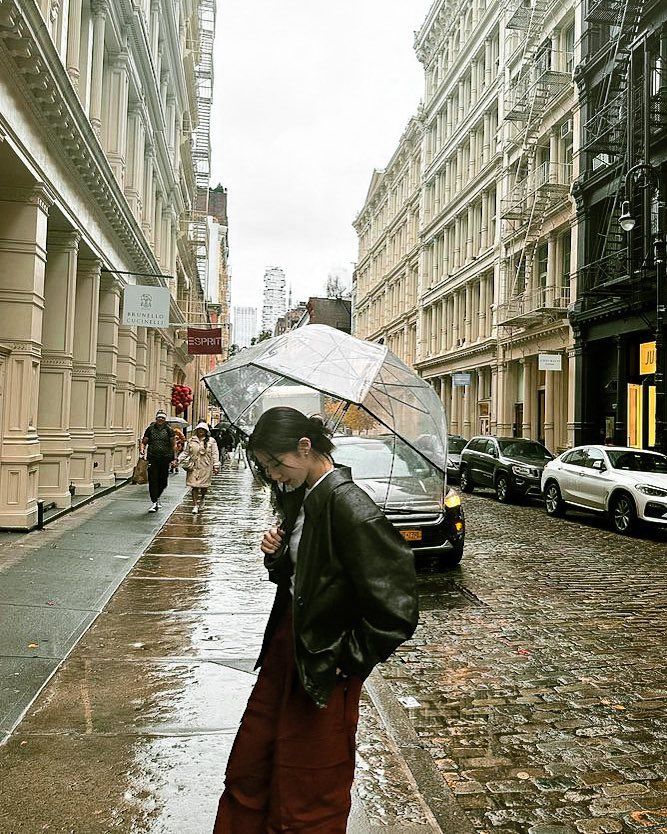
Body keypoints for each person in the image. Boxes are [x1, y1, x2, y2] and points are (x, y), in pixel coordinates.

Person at [213, 407, 418, 833]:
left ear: (305, 448)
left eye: (275, 464)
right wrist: (277, 556)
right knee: (252, 765)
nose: (273, 476)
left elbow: (397, 607)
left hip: (324, 664)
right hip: (287, 649)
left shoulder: (350, 506)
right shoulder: (305, 498)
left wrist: (347, 662)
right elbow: (306, 579)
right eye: (267, 467)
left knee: (309, 787)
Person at [140, 410, 177, 513]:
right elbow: (144, 441)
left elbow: (173, 444)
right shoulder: (150, 429)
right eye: (159, 418)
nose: (160, 419)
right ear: (156, 419)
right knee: (153, 480)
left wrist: (174, 458)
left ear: (165, 420)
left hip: (165, 458)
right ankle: (154, 502)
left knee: (163, 481)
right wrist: (142, 449)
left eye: (162, 418)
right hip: (153, 457)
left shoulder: (169, 430)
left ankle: (158, 497)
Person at [182, 421, 220, 514]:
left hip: (205, 467)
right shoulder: (192, 440)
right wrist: (177, 460)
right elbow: (186, 452)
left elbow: (215, 454)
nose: (201, 432)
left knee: (203, 486)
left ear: (206, 431)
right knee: (194, 486)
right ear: (196, 430)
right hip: (194, 466)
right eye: (199, 430)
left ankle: (202, 498)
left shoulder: (211, 441)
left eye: (203, 430)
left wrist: (216, 465)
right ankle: (195, 505)